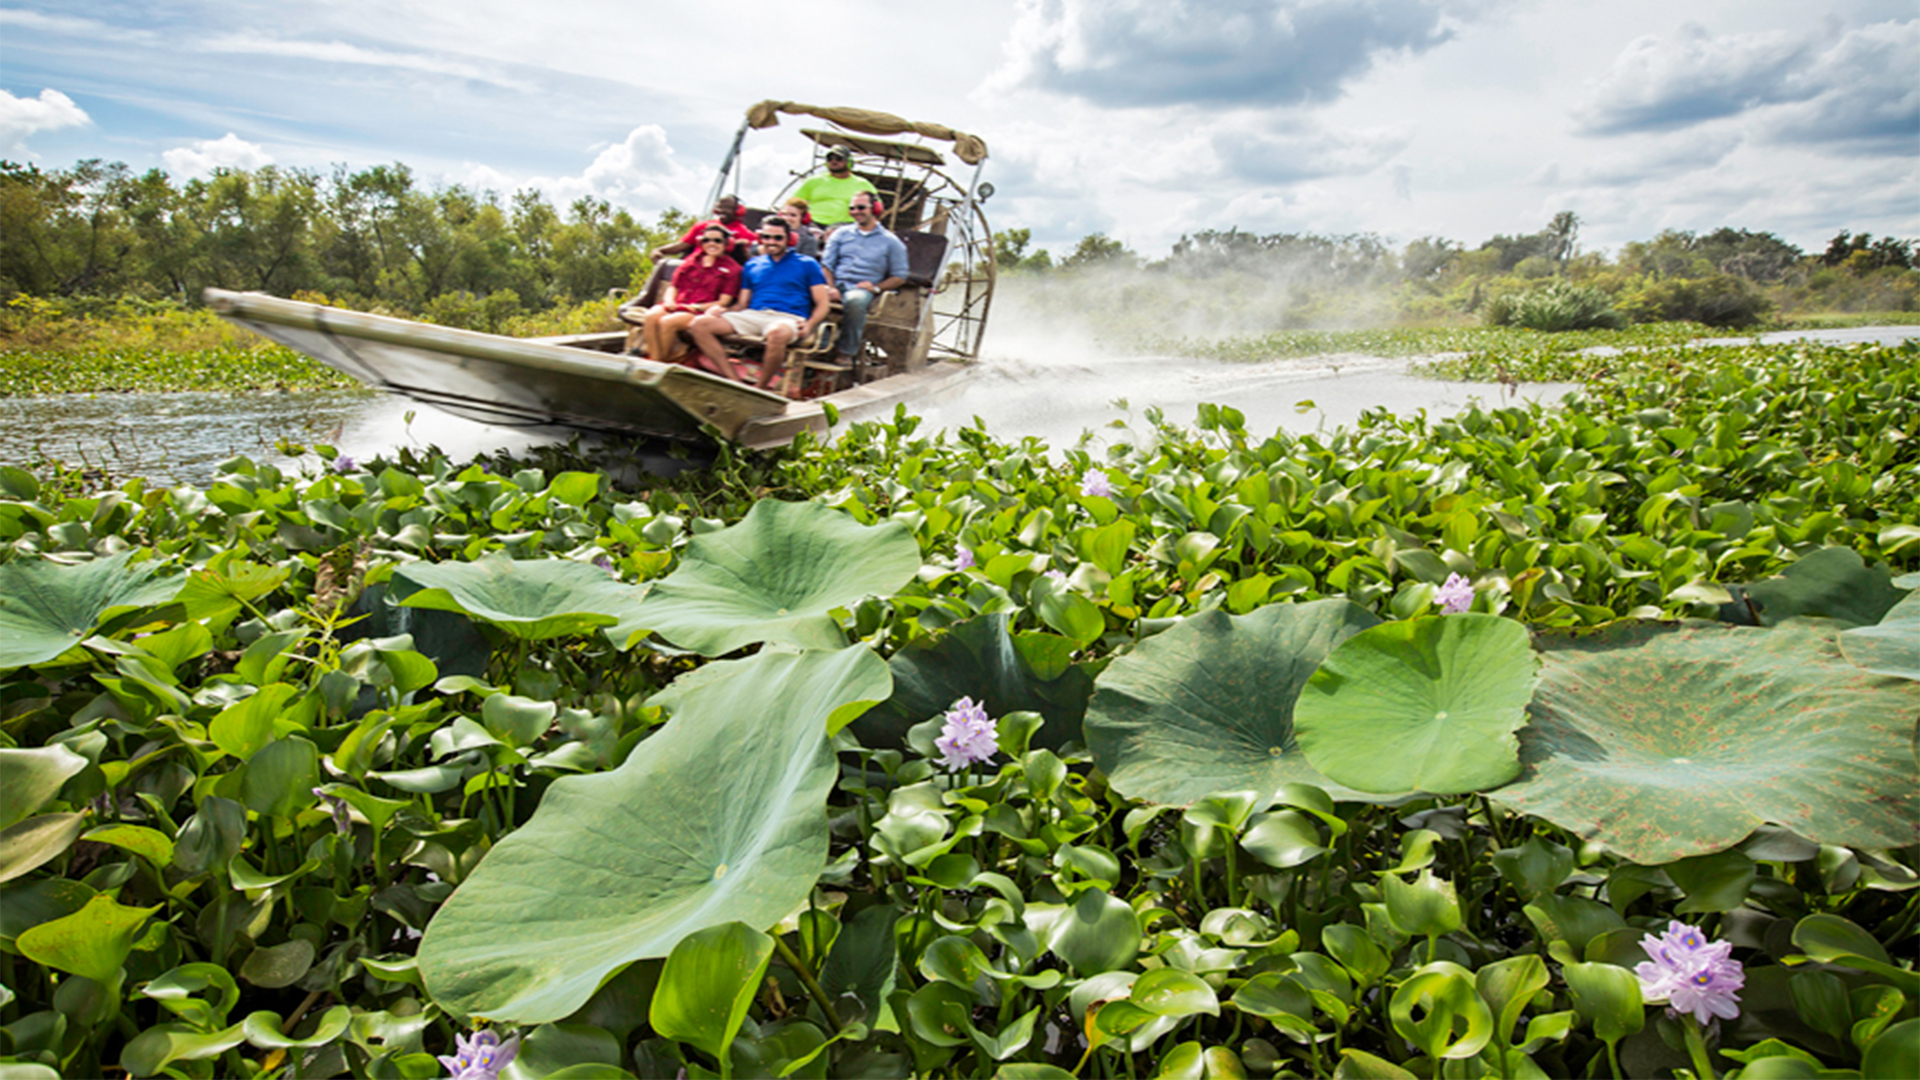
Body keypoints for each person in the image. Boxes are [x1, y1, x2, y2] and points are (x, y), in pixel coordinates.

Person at [687, 216, 830, 398]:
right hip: (753, 314)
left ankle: (759, 390)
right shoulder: (752, 264)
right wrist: (723, 310)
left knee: (777, 333)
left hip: (788, 318)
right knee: (699, 324)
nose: (772, 242)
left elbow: (822, 303)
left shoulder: (807, 264)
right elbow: (742, 303)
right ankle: (734, 381)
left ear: (789, 239)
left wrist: (810, 325)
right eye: (767, 237)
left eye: (778, 238)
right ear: (760, 238)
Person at [625, 224, 741, 363]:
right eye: (707, 240)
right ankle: (656, 359)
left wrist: (699, 307)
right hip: (678, 303)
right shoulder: (691, 261)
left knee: (668, 322)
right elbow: (673, 286)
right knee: (651, 316)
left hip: (698, 311)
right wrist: (669, 301)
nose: (711, 244)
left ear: (726, 243)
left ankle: (658, 362)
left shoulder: (733, 269)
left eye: (717, 241)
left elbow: (723, 301)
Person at [820, 192, 908, 365]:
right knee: (811, 293)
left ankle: (846, 351)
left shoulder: (892, 242)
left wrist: (876, 288)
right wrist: (831, 287)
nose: (856, 211)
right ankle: (818, 344)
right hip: (836, 284)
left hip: (861, 289)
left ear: (874, 209)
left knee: (855, 301)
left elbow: (900, 276)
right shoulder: (840, 234)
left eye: (861, 207)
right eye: (852, 208)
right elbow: (827, 265)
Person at [648, 193, 755, 262]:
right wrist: (660, 250)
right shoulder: (702, 226)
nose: (722, 211)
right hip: (691, 268)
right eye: (720, 208)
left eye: (727, 208)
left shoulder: (746, 234)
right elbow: (682, 245)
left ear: (738, 210)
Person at [791, 146, 877, 227]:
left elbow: (877, 208)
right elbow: (794, 204)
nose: (833, 161)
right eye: (830, 159)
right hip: (813, 224)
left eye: (839, 159)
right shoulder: (813, 181)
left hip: (846, 226)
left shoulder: (863, 184)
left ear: (849, 162)